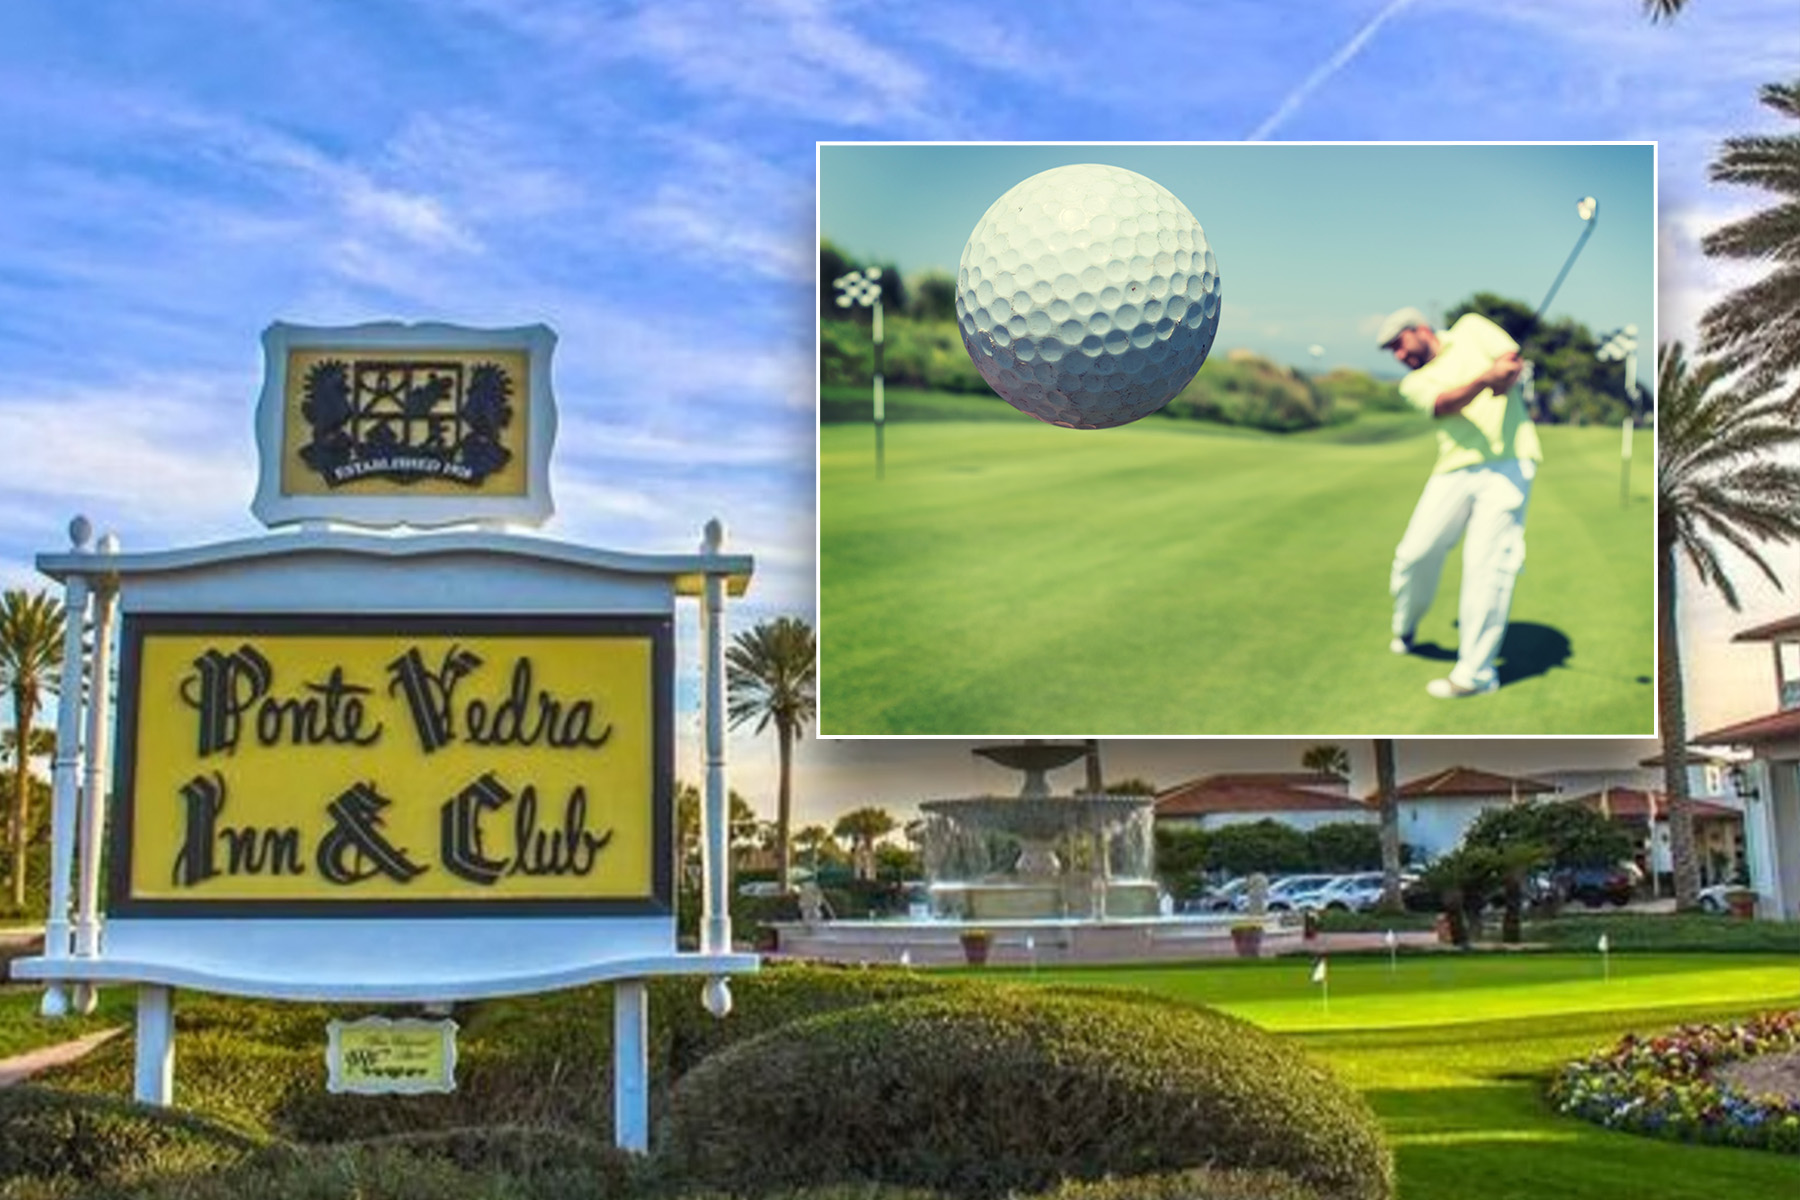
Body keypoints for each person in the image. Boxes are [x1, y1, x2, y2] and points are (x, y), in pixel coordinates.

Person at [1377, 306, 1541, 699]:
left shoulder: (1471, 327)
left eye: (1399, 344)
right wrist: (1486, 379)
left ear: (1420, 330)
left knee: (1487, 565)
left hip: (1510, 462)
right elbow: (1444, 403)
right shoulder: (1413, 384)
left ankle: (1476, 674)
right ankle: (1407, 624)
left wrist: (1506, 372)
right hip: (1453, 468)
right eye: (1392, 352)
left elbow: (1508, 360)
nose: (1399, 356)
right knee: (1415, 555)